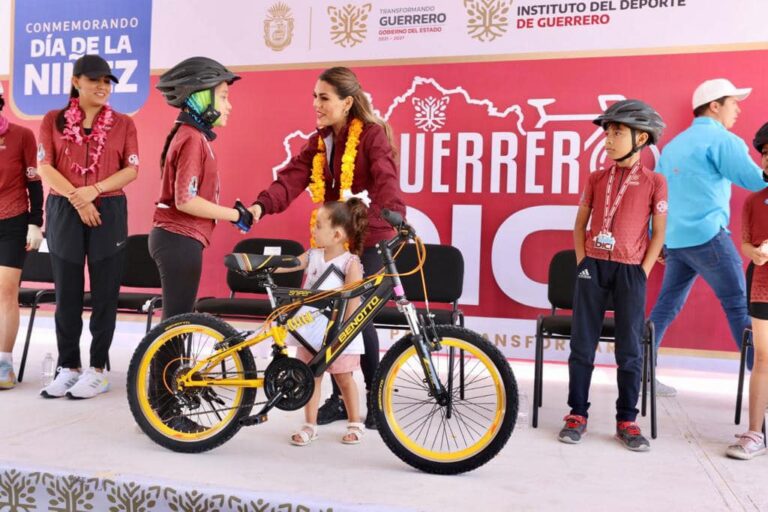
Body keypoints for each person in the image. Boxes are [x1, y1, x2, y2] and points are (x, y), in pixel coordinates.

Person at [249, 66, 406, 429]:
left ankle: (374, 401)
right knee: (331, 319)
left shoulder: (371, 136)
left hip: (373, 237)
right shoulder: (319, 141)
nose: (316, 104)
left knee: (357, 317)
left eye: (324, 97)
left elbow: (385, 177)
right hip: (338, 241)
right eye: (314, 97)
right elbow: (290, 179)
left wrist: (394, 214)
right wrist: (260, 206)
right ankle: (339, 400)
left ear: (347, 102)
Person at [558, 100, 667, 451]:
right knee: (582, 343)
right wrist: (583, 262)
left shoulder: (655, 182)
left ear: (641, 138)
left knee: (630, 348)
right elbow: (579, 225)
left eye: (617, 132)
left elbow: (660, 233)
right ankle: (577, 413)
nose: (608, 139)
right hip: (594, 264)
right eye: (607, 132)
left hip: (630, 270)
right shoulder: (596, 178)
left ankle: (627, 420)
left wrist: (643, 271)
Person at [650, 79, 766, 397]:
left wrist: (654, 238)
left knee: (665, 307)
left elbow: (655, 197)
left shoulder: (674, 145)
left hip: (675, 241)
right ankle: (763, 386)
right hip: (707, 237)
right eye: (733, 102)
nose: (738, 109)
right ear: (715, 106)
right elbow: (756, 179)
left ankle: (641, 376)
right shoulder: (721, 140)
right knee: (739, 308)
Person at [37, 55, 138, 399]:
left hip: (108, 206)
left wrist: (93, 191)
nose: (102, 87)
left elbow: (131, 170)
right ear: (76, 81)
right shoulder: (53, 120)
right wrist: (78, 199)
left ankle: (97, 369)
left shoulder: (124, 123)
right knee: (66, 291)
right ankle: (69, 367)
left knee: (105, 292)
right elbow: (45, 167)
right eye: (95, 80)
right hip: (65, 207)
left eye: (107, 81)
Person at [150, 56, 252, 321]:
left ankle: (166, 364)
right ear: (200, 97)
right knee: (177, 322)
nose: (229, 106)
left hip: (179, 239)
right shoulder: (192, 138)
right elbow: (186, 200)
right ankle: (164, 364)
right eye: (223, 97)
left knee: (176, 320)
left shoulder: (190, 135)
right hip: (178, 239)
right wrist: (236, 215)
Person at [279, 199, 368, 446]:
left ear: (338, 234)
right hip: (309, 330)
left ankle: (355, 422)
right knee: (310, 377)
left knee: (344, 379)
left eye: (318, 226)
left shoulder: (351, 264)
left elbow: (353, 300)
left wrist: (345, 332)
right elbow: (292, 264)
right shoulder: (312, 256)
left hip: (339, 332)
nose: (313, 230)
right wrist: (267, 265)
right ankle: (310, 424)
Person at [726, 122, 768, 460]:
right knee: (764, 358)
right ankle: (755, 433)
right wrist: (752, 251)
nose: (767, 160)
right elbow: (744, 241)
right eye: (765, 154)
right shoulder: (754, 201)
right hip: (762, 285)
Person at [0, 82, 44, 389]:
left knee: (6, 291)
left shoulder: (21, 136)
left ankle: (4, 363)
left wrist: (35, 222)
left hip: (12, 221)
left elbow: (34, 183)